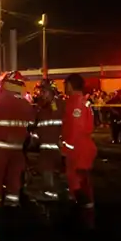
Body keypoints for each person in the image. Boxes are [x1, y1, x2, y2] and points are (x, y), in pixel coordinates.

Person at [0, 71, 35, 209]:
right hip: (17, 147)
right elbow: (31, 123)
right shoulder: (26, 103)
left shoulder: (0, 99)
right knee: (14, 176)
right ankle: (12, 201)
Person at [61, 73, 98, 229]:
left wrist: (66, 148)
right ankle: (84, 214)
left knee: (79, 182)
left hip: (78, 149)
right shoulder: (82, 102)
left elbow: (76, 129)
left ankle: (86, 220)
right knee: (80, 182)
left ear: (70, 85)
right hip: (82, 147)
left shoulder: (75, 103)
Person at [28, 79, 65, 202]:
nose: (41, 94)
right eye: (41, 91)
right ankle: (55, 191)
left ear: (52, 92)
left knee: (47, 167)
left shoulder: (54, 103)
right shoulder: (43, 105)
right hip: (46, 143)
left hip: (52, 143)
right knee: (48, 168)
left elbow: (54, 115)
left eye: (44, 91)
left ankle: (50, 194)